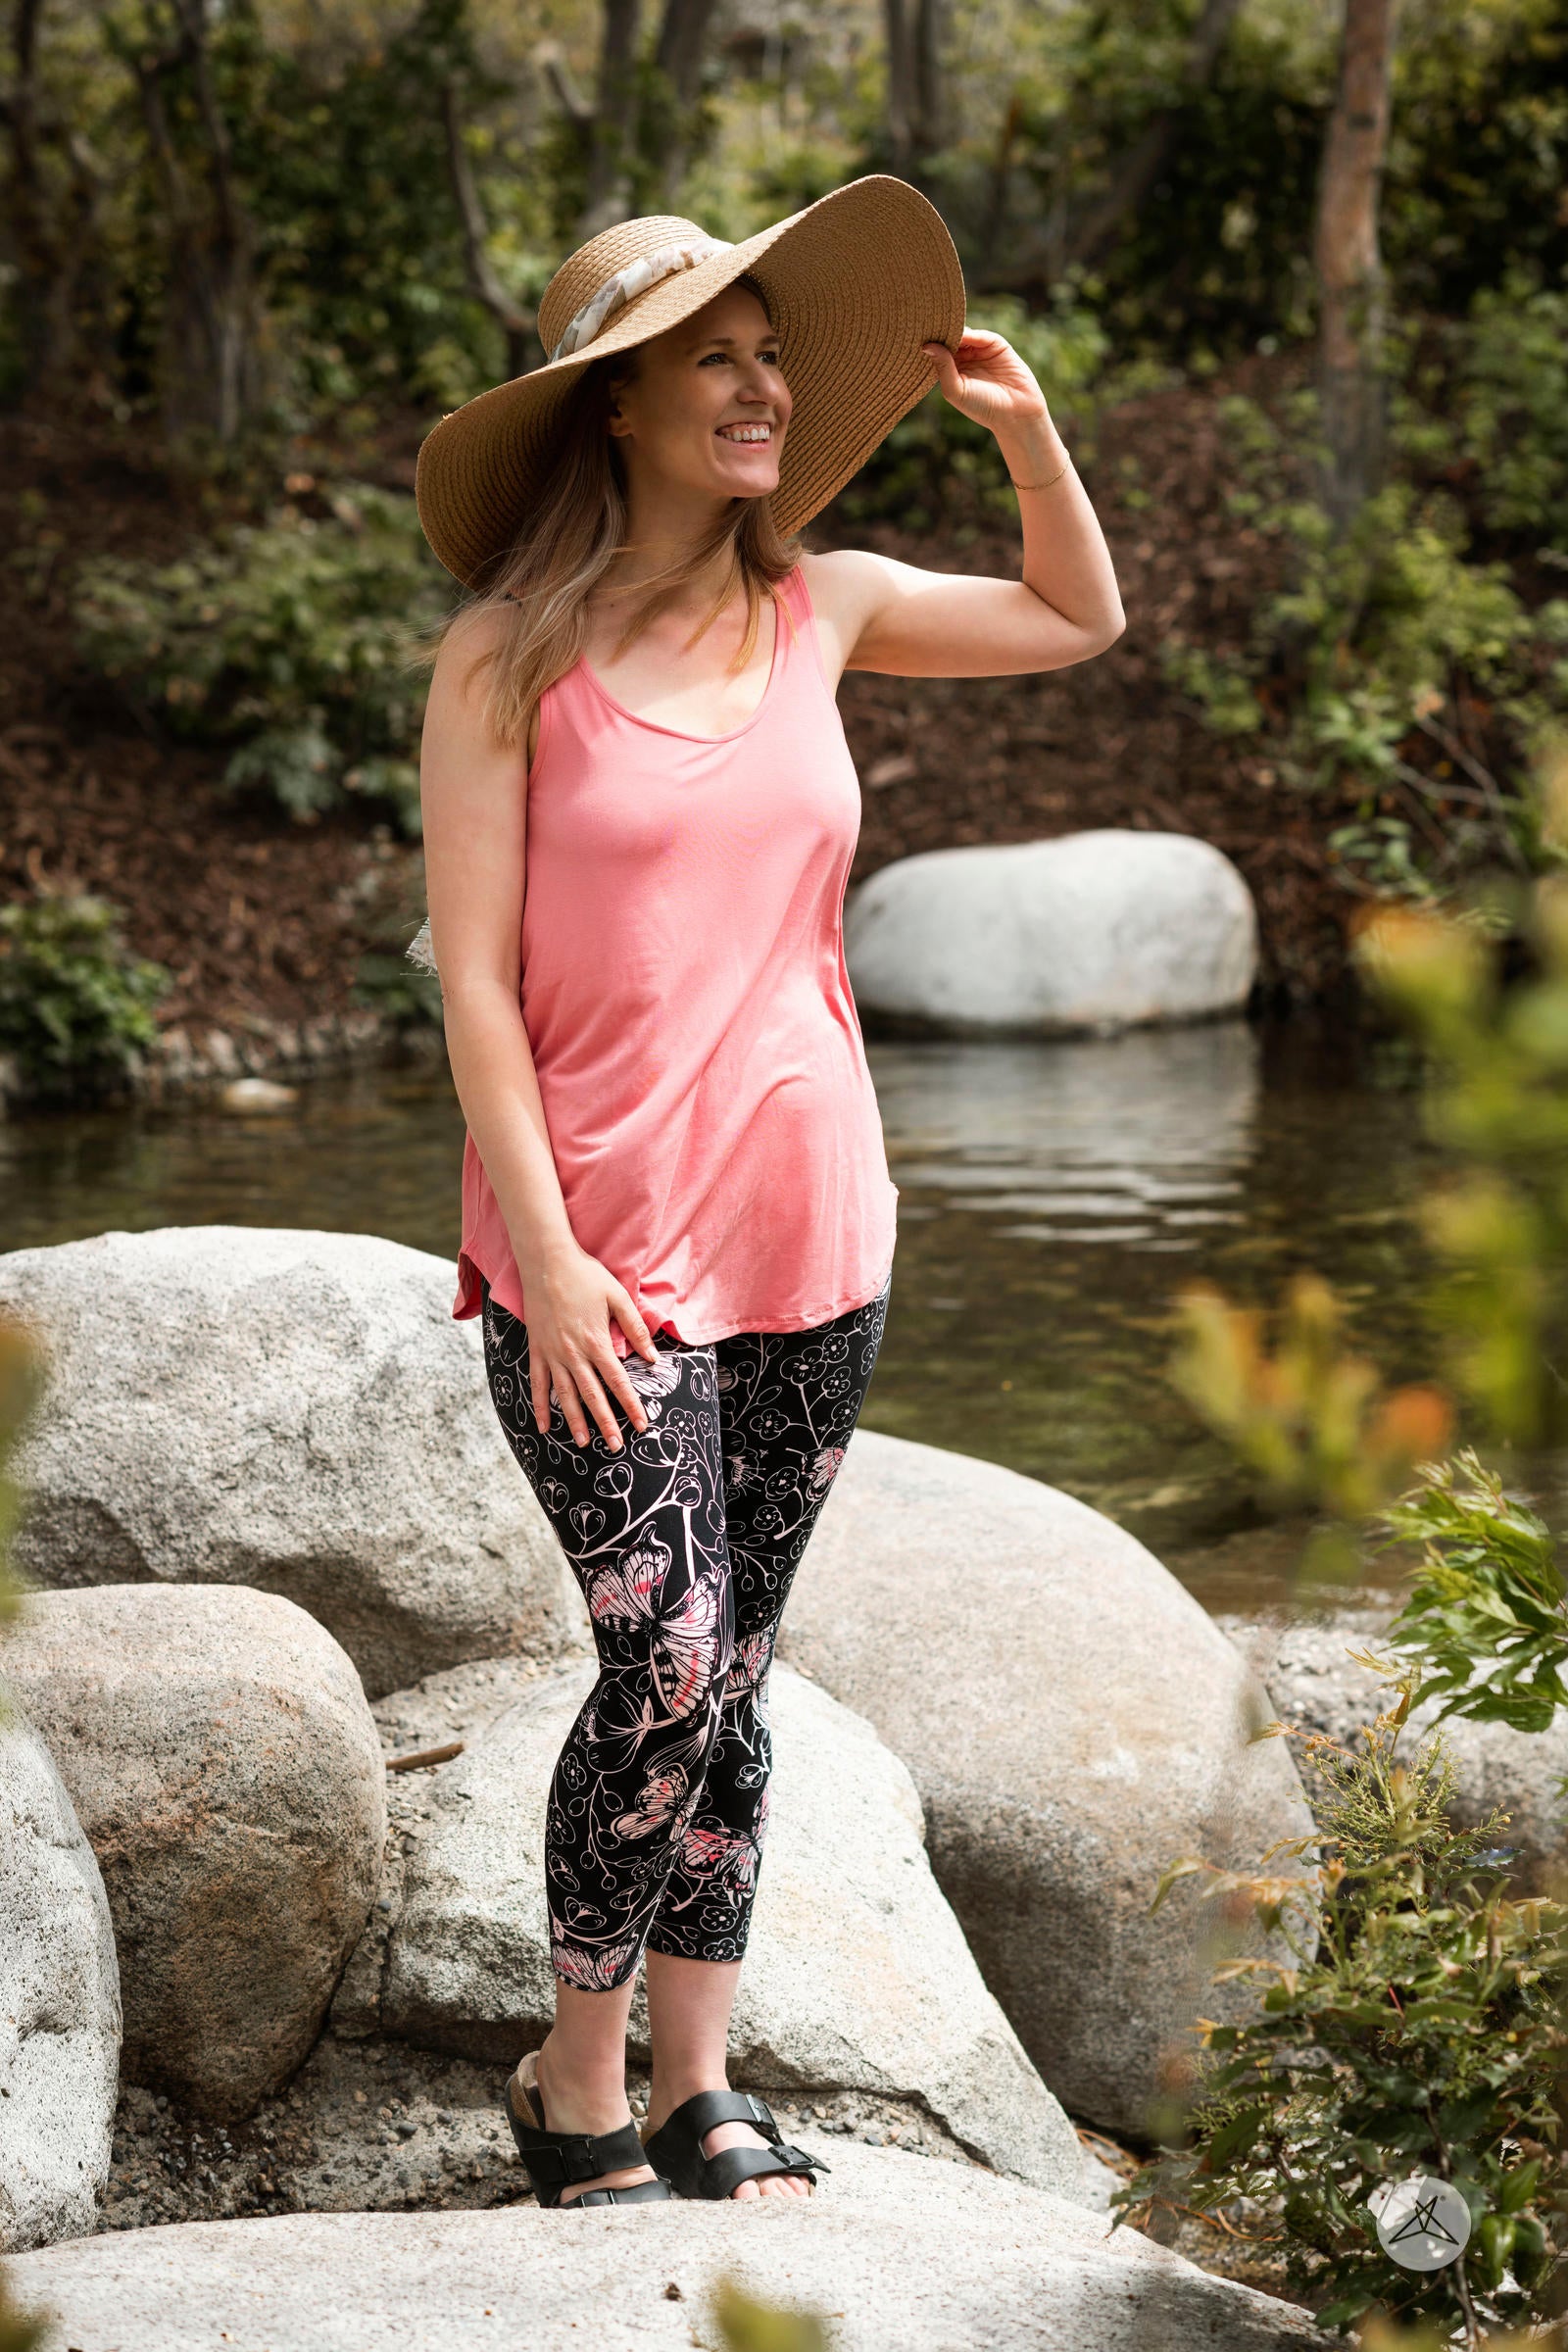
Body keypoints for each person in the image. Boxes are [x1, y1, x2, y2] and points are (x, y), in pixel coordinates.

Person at [412, 173, 1124, 2209]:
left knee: (736, 1668)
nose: (753, 385)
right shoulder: (500, 658)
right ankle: (569, 2076)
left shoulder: (830, 603)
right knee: (657, 1653)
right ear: (614, 408)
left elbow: (1078, 620)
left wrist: (1023, 435)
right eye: (707, 357)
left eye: (764, 356)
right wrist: (538, 1258)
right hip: (598, 1253)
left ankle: (695, 2083)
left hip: (814, 1221)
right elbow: (469, 978)